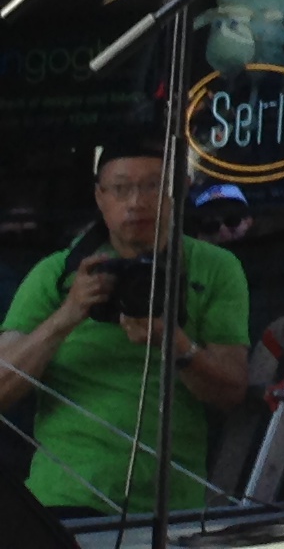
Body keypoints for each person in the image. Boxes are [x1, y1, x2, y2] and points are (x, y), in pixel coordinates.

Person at [0, 140, 250, 519]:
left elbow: (232, 391)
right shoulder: (57, 274)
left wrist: (175, 344)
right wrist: (67, 315)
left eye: (152, 186)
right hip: (66, 495)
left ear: (178, 192)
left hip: (171, 504)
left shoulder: (214, 268)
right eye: (121, 188)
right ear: (100, 197)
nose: (136, 202)